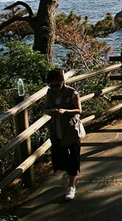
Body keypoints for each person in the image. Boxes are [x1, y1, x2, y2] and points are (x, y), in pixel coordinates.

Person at [44, 70, 83, 201]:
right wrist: (52, 111)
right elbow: (46, 109)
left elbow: (79, 110)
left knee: (73, 159)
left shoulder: (72, 93)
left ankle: (71, 186)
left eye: (57, 85)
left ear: (63, 82)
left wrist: (66, 111)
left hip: (71, 130)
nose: (54, 88)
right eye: (51, 86)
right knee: (59, 158)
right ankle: (67, 173)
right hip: (56, 130)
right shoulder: (50, 94)